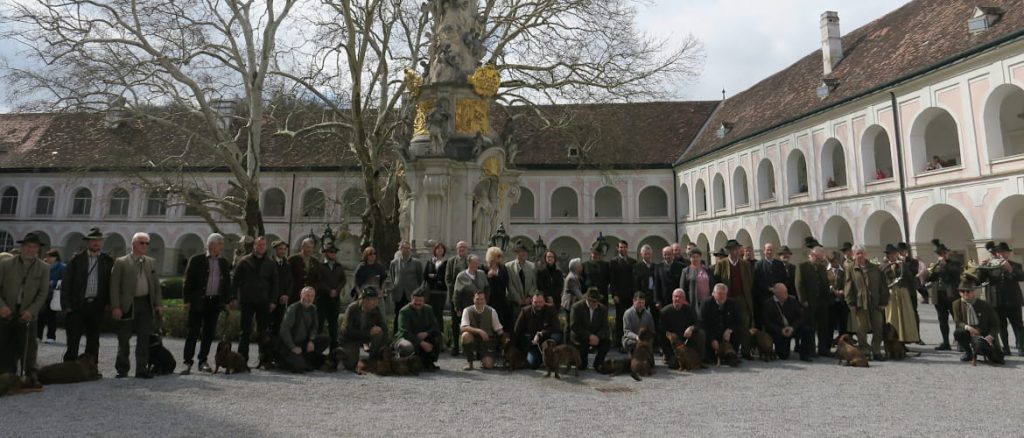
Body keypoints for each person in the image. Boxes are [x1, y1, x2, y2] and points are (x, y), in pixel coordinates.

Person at [110, 232, 163, 378]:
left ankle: (141, 369)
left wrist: (158, 304)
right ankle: (122, 369)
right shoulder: (121, 262)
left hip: (145, 303)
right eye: (142, 242)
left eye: (147, 243)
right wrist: (115, 306)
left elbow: (156, 285)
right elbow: (114, 286)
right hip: (128, 304)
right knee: (124, 338)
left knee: (144, 337)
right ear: (133, 244)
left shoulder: (151, 262)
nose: (145, 245)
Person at [181, 233, 233, 375]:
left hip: (214, 301)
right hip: (199, 301)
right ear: (212, 245)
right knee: (193, 331)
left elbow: (227, 283)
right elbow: (188, 282)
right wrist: (187, 301)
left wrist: (226, 301)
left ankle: (202, 360)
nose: (222, 247)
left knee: (208, 333)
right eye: (220, 244)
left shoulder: (223, 262)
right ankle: (187, 361)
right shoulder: (197, 260)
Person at [61, 227, 114, 363]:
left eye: (98, 240)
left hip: (97, 305)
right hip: (78, 304)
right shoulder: (76, 260)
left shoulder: (107, 260)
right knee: (73, 339)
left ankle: (91, 368)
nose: (96, 243)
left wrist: (109, 304)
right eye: (93, 240)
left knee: (93, 340)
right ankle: (69, 367)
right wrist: (66, 305)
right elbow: (66, 283)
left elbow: (110, 284)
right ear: (87, 242)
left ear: (102, 242)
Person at [0, 233, 50, 376]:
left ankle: (29, 375)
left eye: (34, 247)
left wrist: (32, 311)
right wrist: (1, 306)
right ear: (22, 247)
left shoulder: (44, 268)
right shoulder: (5, 265)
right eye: (28, 246)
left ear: (38, 249)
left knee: (29, 347)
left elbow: (43, 292)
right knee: (5, 344)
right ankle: (6, 374)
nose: (30, 250)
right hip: (6, 311)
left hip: (27, 313)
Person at [232, 236, 279, 362]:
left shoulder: (270, 263)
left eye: (263, 245)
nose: (261, 247)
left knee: (263, 332)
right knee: (244, 331)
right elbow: (235, 280)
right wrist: (234, 297)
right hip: (247, 300)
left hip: (263, 301)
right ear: (254, 246)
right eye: (259, 245)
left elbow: (275, 283)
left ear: (266, 247)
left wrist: (273, 300)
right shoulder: (244, 261)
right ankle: (242, 359)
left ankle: (264, 359)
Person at [978, 241, 1024, 356]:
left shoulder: (1016, 265)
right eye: (1000, 253)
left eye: (1005, 253)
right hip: (997, 302)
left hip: (1013, 301)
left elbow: (1021, 277)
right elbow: (979, 281)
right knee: (1001, 326)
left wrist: (1010, 269)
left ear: (1008, 253)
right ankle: (1006, 348)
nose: (1002, 255)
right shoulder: (990, 266)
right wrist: (982, 268)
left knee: (1018, 326)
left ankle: (1021, 347)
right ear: (996, 254)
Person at [845, 245, 888, 361]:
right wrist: (850, 302)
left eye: (862, 253)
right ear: (853, 255)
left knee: (878, 327)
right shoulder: (851, 269)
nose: (860, 255)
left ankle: (876, 350)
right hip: (860, 303)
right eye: (857, 253)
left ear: (866, 254)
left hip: (876, 302)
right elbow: (848, 286)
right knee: (861, 328)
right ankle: (865, 350)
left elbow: (883, 286)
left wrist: (884, 301)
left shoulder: (875, 268)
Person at [713, 239, 754, 359]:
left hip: (742, 298)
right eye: (732, 249)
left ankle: (746, 351)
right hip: (728, 299)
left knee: (745, 324)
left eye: (736, 249)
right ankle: (730, 351)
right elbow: (717, 280)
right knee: (728, 325)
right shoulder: (721, 264)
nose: (735, 252)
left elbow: (750, 281)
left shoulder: (745, 264)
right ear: (729, 251)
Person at [951, 279, 1003, 364]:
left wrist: (990, 336)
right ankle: (968, 353)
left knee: (997, 360)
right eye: (962, 291)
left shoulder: (985, 305)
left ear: (973, 291)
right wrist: (968, 328)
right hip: (969, 332)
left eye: (968, 291)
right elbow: (958, 321)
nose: (965, 293)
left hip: (984, 334)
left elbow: (996, 324)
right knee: (958, 333)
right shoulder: (956, 304)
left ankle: (988, 352)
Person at [278, 287, 329, 373]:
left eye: (312, 296)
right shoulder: (293, 309)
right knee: (299, 367)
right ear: (301, 296)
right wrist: (292, 347)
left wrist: (311, 340)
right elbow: (284, 330)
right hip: (290, 344)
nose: (309, 298)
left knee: (325, 339)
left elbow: (314, 327)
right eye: (307, 295)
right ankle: (284, 361)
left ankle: (306, 359)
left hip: (304, 342)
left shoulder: (313, 309)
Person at [795, 242, 832, 357]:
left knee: (823, 327)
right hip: (809, 302)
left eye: (821, 258)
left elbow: (825, 283)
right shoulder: (802, 266)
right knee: (810, 327)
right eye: (817, 257)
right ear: (811, 255)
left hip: (822, 301)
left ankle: (823, 349)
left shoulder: (821, 267)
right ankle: (810, 349)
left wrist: (827, 299)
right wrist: (803, 300)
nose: (819, 260)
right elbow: (799, 284)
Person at [339, 286, 388, 371]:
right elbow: (347, 331)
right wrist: (368, 333)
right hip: (351, 338)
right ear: (362, 299)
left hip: (365, 336)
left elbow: (384, 328)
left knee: (379, 332)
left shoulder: (376, 310)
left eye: (375, 300)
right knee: (350, 365)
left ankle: (372, 359)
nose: (373, 302)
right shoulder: (352, 309)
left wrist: (383, 348)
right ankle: (343, 352)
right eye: (369, 299)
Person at [762, 283, 813, 361]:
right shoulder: (768, 304)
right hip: (779, 331)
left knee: (807, 330)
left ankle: (805, 354)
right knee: (783, 355)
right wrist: (780, 330)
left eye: (786, 292)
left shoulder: (792, 300)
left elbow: (801, 316)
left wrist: (792, 327)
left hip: (792, 328)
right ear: (776, 293)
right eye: (783, 293)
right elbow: (767, 323)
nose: (786, 294)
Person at [394, 288, 442, 370]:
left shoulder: (428, 309)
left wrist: (426, 333)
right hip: (406, 337)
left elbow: (435, 326)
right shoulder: (404, 311)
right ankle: (404, 363)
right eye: (415, 300)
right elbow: (405, 332)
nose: (418, 303)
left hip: (423, 335)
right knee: (406, 346)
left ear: (424, 301)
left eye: (420, 301)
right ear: (411, 299)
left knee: (439, 337)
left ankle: (429, 362)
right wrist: (421, 342)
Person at [926, 239, 962, 350]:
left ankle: (960, 342)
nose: (942, 256)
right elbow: (929, 279)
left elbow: (955, 275)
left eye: (943, 253)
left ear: (948, 253)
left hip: (952, 295)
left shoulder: (955, 264)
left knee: (957, 319)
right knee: (942, 320)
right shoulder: (935, 265)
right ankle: (945, 342)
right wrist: (933, 270)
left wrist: (944, 266)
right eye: (940, 254)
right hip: (939, 295)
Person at [881, 244, 920, 344]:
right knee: (892, 317)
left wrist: (902, 265)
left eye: (894, 254)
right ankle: (892, 339)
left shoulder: (902, 265)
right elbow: (882, 280)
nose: (893, 256)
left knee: (904, 317)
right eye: (891, 254)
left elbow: (910, 278)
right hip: (890, 294)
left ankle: (904, 339)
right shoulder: (884, 266)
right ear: (888, 255)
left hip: (902, 293)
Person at [513, 293, 562, 369]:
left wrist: (541, 334)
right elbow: (517, 331)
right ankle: (541, 358)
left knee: (557, 336)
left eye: (540, 302)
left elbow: (556, 326)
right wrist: (529, 341)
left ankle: (551, 357)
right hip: (533, 344)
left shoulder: (551, 309)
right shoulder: (525, 311)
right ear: (532, 302)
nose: (538, 304)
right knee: (532, 364)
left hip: (547, 339)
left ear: (544, 301)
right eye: (535, 302)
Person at [311, 244, 346, 350]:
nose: (333, 254)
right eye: (331, 252)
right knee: (320, 323)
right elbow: (317, 281)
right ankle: (317, 348)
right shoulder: (320, 266)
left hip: (335, 299)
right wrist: (329, 290)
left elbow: (343, 280)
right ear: (326, 253)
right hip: (322, 298)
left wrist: (337, 290)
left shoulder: (339, 266)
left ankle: (334, 349)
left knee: (333, 324)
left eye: (335, 252)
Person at [460, 290, 504, 370]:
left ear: (485, 300)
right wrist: (479, 331)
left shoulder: (492, 311)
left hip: (487, 342)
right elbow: (463, 327)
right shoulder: (467, 310)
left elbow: (499, 330)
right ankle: (470, 363)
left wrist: (505, 342)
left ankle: (484, 357)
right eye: (477, 299)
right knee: (465, 336)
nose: (479, 301)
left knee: (488, 365)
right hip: (474, 339)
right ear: (473, 299)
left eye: (481, 299)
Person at [701, 284, 746, 363]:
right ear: (713, 294)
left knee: (740, 330)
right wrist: (711, 339)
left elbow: (739, 322)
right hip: (712, 334)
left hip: (726, 336)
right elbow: (702, 324)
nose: (722, 296)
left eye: (724, 294)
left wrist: (730, 330)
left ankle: (733, 354)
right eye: (719, 294)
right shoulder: (706, 304)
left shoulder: (732, 303)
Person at [659, 288, 705, 365]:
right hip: (672, 344)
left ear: (684, 299)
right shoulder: (664, 312)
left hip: (685, 340)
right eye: (675, 296)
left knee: (701, 333)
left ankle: (698, 359)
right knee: (674, 364)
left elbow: (698, 323)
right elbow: (662, 334)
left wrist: (691, 328)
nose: (677, 299)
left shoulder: (689, 309)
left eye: (680, 297)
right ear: (672, 298)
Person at [569, 288, 610, 371]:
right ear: (588, 300)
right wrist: (589, 336)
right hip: (581, 337)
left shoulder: (603, 309)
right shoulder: (576, 307)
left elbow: (605, 327)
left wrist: (597, 337)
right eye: (594, 301)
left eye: (597, 301)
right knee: (582, 366)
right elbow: (574, 326)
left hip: (596, 337)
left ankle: (598, 363)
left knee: (607, 342)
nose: (596, 303)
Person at [388, 240, 424, 333]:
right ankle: (396, 336)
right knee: (398, 315)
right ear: (400, 249)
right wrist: (394, 286)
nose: (407, 250)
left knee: (412, 315)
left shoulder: (417, 263)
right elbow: (392, 276)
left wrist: (418, 291)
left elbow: (420, 278)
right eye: (405, 248)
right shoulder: (394, 263)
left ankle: (411, 334)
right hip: (399, 293)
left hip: (411, 293)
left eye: (408, 248)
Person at [608, 240, 637, 347]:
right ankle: (618, 342)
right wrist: (614, 294)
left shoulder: (633, 262)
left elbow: (634, 280)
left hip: (630, 295)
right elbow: (612, 280)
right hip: (619, 296)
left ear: (627, 248)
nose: (622, 249)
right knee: (620, 319)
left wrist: (635, 295)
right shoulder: (613, 262)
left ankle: (631, 340)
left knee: (631, 318)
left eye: (624, 247)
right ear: (617, 248)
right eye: (620, 247)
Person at [444, 241, 470, 355]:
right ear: (456, 249)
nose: (462, 249)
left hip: (468, 297)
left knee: (468, 322)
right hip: (455, 296)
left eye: (464, 247)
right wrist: (455, 290)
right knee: (455, 322)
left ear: (467, 249)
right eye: (460, 247)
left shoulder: (470, 261)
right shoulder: (451, 261)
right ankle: (455, 346)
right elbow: (448, 279)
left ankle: (467, 346)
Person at [753, 243, 787, 326]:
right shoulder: (758, 265)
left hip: (779, 296)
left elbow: (784, 278)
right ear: (764, 251)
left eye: (771, 250)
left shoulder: (779, 264)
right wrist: (768, 288)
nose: (769, 252)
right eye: (767, 250)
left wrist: (778, 288)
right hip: (764, 296)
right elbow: (757, 280)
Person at [506, 241, 537, 320]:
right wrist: (519, 300)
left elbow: (535, 284)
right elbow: (509, 285)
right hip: (515, 302)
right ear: (516, 253)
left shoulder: (532, 266)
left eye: (525, 252)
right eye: (521, 251)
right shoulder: (509, 266)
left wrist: (529, 297)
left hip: (529, 301)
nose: (523, 254)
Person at [37, 249, 63, 344]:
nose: (48, 258)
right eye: (47, 256)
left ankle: (51, 336)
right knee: (40, 316)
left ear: (56, 257)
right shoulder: (44, 266)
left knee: (51, 316)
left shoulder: (62, 267)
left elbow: (64, 280)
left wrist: (53, 282)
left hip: (53, 295)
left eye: (50, 256)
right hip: (42, 294)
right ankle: (38, 335)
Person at [679, 248, 714, 315]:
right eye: (693, 257)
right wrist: (684, 300)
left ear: (700, 258)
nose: (695, 259)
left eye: (697, 257)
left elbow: (712, 283)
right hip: (694, 301)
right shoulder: (686, 271)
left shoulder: (707, 270)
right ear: (690, 258)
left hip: (708, 300)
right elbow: (682, 287)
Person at [423, 241, 448, 332]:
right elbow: (425, 275)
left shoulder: (446, 262)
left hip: (441, 292)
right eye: (438, 248)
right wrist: (434, 277)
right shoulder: (430, 262)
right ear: (435, 250)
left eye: (441, 249)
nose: (439, 250)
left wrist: (435, 276)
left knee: (438, 314)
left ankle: (439, 334)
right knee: (429, 313)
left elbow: (445, 276)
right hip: (430, 290)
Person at [484, 247, 512, 329]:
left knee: (501, 319)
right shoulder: (485, 268)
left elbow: (506, 281)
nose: (499, 258)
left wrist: (497, 276)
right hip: (489, 298)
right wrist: (488, 276)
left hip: (501, 298)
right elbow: (482, 282)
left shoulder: (503, 268)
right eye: (497, 256)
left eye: (500, 256)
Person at [269, 240, 293, 334]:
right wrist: (271, 300)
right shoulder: (269, 263)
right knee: (268, 326)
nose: (282, 251)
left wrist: (287, 295)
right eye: (280, 249)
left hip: (282, 300)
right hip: (271, 299)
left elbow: (290, 281)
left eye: (284, 249)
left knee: (278, 326)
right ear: (275, 250)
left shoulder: (287, 264)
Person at [826, 250, 849, 335]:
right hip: (830, 301)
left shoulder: (844, 270)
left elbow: (848, 283)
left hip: (842, 301)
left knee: (843, 324)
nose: (835, 263)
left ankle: (843, 343)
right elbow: (823, 283)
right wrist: (831, 289)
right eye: (832, 261)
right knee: (830, 324)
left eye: (836, 260)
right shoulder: (825, 270)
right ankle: (829, 344)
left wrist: (844, 291)